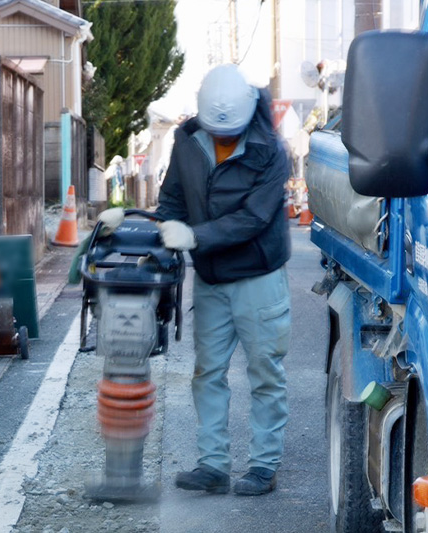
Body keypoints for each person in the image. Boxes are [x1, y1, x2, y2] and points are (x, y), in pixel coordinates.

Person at [98, 64, 291, 496]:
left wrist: (196, 236)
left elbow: (255, 218)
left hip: (258, 276)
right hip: (210, 278)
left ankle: (263, 466)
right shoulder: (187, 141)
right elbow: (172, 202)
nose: (224, 138)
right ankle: (214, 465)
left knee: (264, 373)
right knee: (207, 372)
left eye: (231, 132)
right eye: (217, 131)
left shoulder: (271, 150)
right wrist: (129, 222)